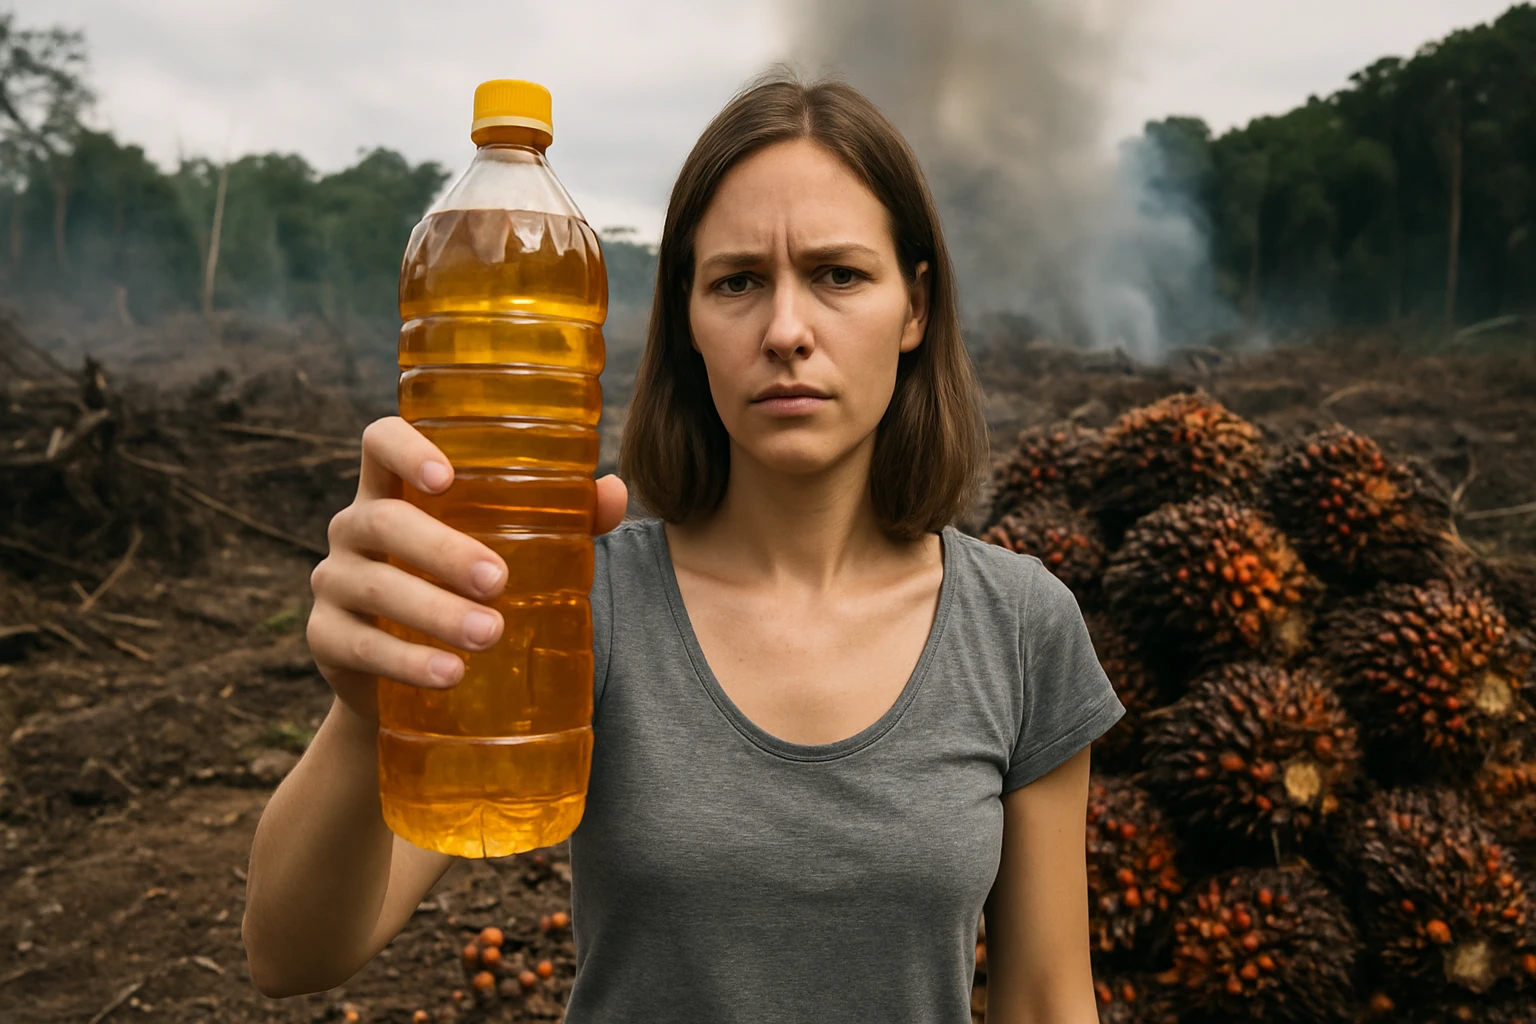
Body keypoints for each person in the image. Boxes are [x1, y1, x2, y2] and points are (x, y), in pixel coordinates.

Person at [242, 72, 1124, 1024]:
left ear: (914, 307)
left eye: (838, 274)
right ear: (689, 321)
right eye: (737, 282)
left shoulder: (1020, 625)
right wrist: (367, 711)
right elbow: (293, 955)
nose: (786, 332)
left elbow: (1046, 998)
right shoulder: (575, 598)